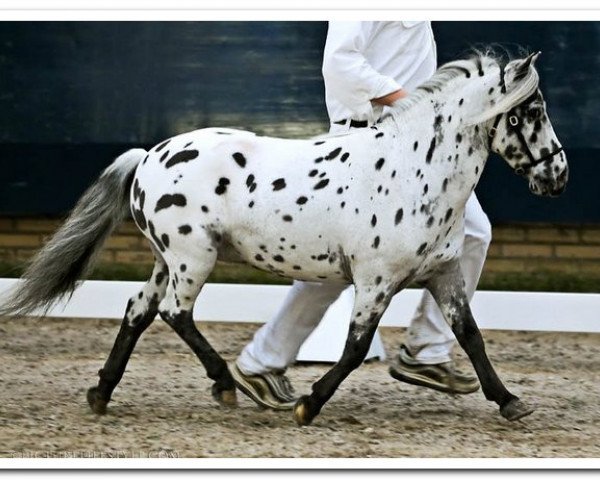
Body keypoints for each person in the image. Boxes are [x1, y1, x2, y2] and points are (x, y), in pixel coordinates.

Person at [231, 21, 491, 410]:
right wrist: (407, 100)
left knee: (472, 231)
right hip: (368, 144)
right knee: (327, 273)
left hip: (417, 146)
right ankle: (260, 364)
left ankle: (426, 351)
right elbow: (339, 63)